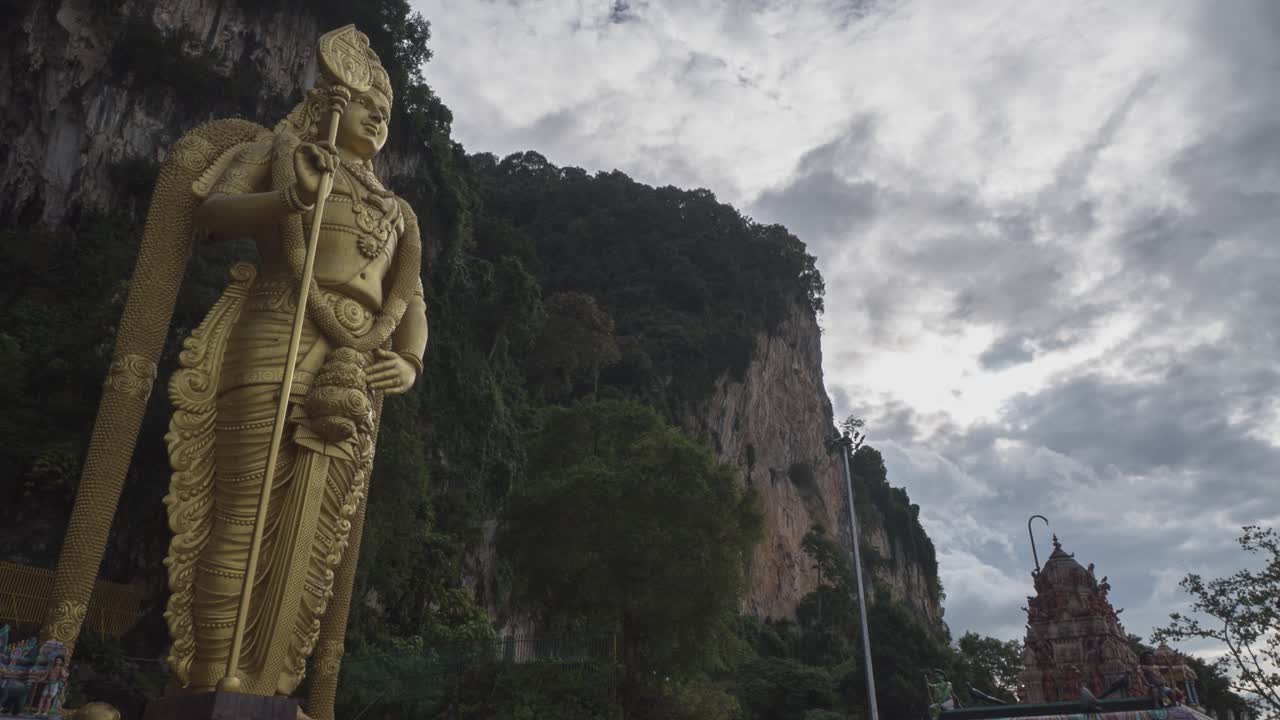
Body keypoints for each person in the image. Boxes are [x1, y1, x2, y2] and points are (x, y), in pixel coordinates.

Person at [157, 29, 428, 700]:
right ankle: (215, 680)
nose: (378, 120)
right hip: (279, 324)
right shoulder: (285, 155)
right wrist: (291, 197)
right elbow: (211, 216)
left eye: (387, 116)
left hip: (359, 362)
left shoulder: (399, 212)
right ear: (329, 102)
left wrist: (412, 361)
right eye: (366, 105)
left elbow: (411, 296)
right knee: (242, 514)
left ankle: (274, 688)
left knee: (313, 544)